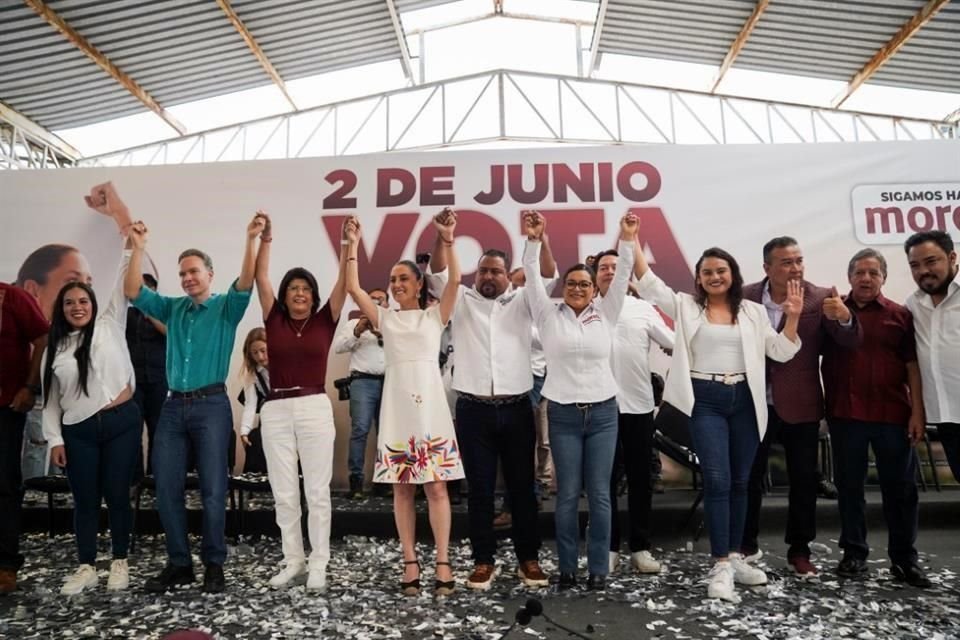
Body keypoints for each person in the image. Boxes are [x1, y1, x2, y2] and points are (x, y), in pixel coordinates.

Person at [633, 241, 802, 602]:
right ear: (698, 278)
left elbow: (782, 351)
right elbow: (648, 283)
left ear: (733, 275)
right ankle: (721, 564)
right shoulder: (687, 307)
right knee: (718, 479)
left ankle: (737, 557)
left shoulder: (754, 312)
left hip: (744, 400)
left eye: (720, 271)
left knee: (742, 481)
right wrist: (631, 238)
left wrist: (794, 317)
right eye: (707, 272)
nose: (714, 276)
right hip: (704, 399)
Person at [124, 210, 257, 594]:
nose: (187, 278)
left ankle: (214, 564)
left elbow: (246, 282)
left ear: (210, 275)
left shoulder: (225, 308)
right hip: (172, 407)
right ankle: (179, 564)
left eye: (194, 271)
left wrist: (249, 240)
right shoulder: (172, 307)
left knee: (215, 489)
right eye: (182, 273)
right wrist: (138, 248)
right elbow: (132, 290)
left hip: (211, 406)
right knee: (166, 488)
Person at [425, 211, 557, 590]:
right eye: (483, 271)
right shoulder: (461, 299)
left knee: (523, 490)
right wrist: (444, 237)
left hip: (517, 409)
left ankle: (528, 559)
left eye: (495, 271)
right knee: (479, 492)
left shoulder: (523, 301)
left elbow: (546, 276)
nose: (488, 277)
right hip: (472, 411)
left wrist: (540, 238)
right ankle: (483, 561)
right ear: (475, 274)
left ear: (506, 275)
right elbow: (436, 272)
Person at [345, 211, 465, 597]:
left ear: (418, 285)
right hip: (398, 412)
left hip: (430, 408)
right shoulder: (384, 319)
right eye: (392, 279)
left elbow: (457, 280)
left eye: (403, 279)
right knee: (402, 491)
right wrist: (352, 243)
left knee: (437, 489)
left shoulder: (435, 315)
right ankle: (410, 560)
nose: (396, 284)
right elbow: (352, 287)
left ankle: (443, 560)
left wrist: (447, 238)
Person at [522, 211, 636, 592]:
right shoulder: (547, 314)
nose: (576, 288)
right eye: (571, 283)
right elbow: (533, 277)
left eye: (584, 283)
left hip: (604, 413)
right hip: (564, 414)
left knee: (601, 494)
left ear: (593, 288)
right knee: (568, 494)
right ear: (564, 287)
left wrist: (627, 237)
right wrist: (535, 240)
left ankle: (599, 568)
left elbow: (622, 274)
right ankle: (568, 568)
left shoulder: (607, 313)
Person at [741, 236, 862, 578]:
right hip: (754, 404)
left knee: (803, 481)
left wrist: (845, 318)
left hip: (802, 404)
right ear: (767, 268)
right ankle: (746, 545)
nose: (795, 268)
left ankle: (799, 550)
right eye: (786, 262)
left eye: (798, 260)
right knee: (749, 478)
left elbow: (849, 342)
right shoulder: (746, 297)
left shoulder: (822, 296)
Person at [821, 249, 930, 588]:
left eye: (873, 273)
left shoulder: (900, 315)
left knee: (900, 490)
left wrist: (918, 412)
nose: (866, 278)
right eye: (859, 273)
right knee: (850, 488)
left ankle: (904, 559)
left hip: (893, 414)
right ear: (849, 277)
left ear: (883, 277)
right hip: (845, 415)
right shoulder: (831, 312)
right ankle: (854, 553)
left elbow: (913, 366)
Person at [251, 212, 347, 591]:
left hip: (313, 406)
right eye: (293, 288)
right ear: (285, 295)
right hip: (275, 409)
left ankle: (319, 562)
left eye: (306, 288)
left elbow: (344, 283)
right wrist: (267, 239)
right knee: (285, 492)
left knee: (317, 491)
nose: (299, 293)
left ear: (314, 295)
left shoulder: (325, 321)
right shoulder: (273, 319)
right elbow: (260, 278)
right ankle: (293, 561)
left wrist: (348, 244)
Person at [41, 236, 142, 595]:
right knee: (85, 500)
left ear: (93, 303)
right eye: (69, 303)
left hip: (120, 424)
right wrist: (54, 439)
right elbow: (52, 401)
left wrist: (132, 248)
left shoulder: (110, 322)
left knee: (117, 494)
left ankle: (119, 562)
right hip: (78, 432)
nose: (77, 307)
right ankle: (86, 566)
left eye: (83, 300)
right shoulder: (56, 347)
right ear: (61, 309)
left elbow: (120, 279)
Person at [592, 249, 675, 575]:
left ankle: (641, 548)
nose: (610, 271)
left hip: (639, 406)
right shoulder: (584, 308)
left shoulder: (644, 309)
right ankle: (608, 547)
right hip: (599, 408)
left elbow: (672, 341)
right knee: (603, 483)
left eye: (616, 266)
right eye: (603, 268)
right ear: (594, 275)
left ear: (626, 272)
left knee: (641, 481)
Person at [0, 284, 48, 594]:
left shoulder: (12, 296)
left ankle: (5, 565)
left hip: (5, 407)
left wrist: (30, 387)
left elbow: (43, 339)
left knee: (3, 484)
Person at [904, 230, 960, 484]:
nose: (923, 270)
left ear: (951, 257)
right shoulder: (913, 304)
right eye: (915, 265)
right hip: (947, 417)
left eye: (931, 261)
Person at [334, 289, 389, 499]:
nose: (376, 303)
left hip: (390, 382)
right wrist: (358, 330)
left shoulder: (393, 324)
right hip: (362, 382)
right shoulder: (352, 324)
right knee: (360, 430)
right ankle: (355, 482)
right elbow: (338, 348)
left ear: (387, 304)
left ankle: (384, 482)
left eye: (380, 300)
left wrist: (384, 333)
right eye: (371, 300)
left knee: (387, 432)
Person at [126, 273, 168, 478]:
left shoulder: (164, 312)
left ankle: (155, 479)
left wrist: (149, 312)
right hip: (132, 382)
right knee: (132, 432)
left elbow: (171, 334)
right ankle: (134, 480)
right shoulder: (124, 315)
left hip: (159, 380)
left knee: (158, 432)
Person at [237, 327, 269, 474]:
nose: (260, 357)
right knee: (254, 437)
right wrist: (244, 431)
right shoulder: (253, 373)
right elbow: (250, 404)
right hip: (269, 413)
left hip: (291, 413)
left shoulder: (285, 363)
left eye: (263, 350)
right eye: (255, 353)